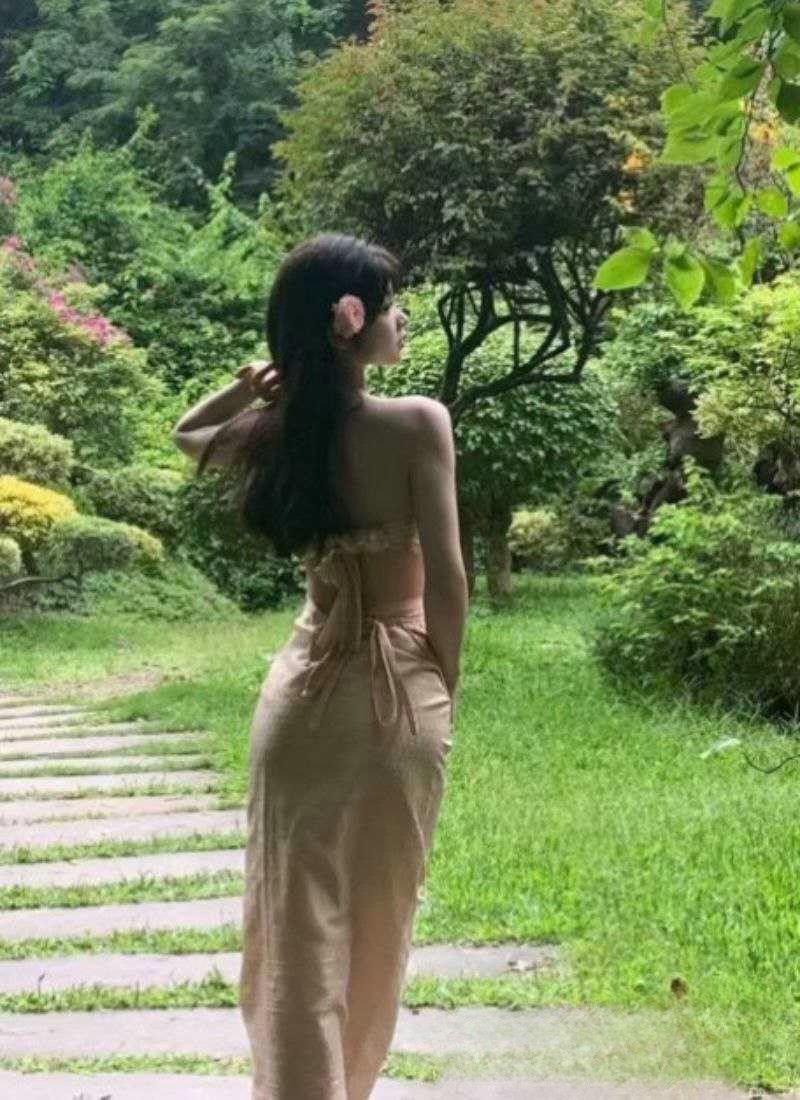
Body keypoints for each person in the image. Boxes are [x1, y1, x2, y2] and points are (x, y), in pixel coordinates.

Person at [172, 231, 468, 1099]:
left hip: (299, 700)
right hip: (399, 693)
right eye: (390, 305)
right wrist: (441, 687)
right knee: (381, 915)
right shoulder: (417, 423)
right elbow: (448, 578)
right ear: (350, 320)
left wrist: (251, 385)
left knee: (292, 925)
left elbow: (189, 436)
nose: (401, 319)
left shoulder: (280, 432)